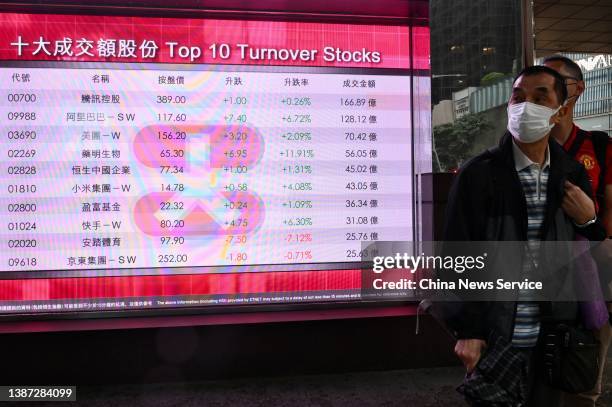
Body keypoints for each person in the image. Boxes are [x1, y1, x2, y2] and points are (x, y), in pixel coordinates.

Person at [443, 65, 607, 406]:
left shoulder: (571, 172)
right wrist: (468, 330)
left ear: (560, 110)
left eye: (539, 97)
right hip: (498, 333)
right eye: (518, 97)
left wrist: (590, 220)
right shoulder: (479, 174)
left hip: (554, 334)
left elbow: (587, 247)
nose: (524, 106)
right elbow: (457, 257)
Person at [544, 54, 612, 407]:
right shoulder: (523, 149)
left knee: (584, 382)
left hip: (590, 278)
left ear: (577, 90)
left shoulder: (599, 147)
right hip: (540, 280)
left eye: (557, 83)